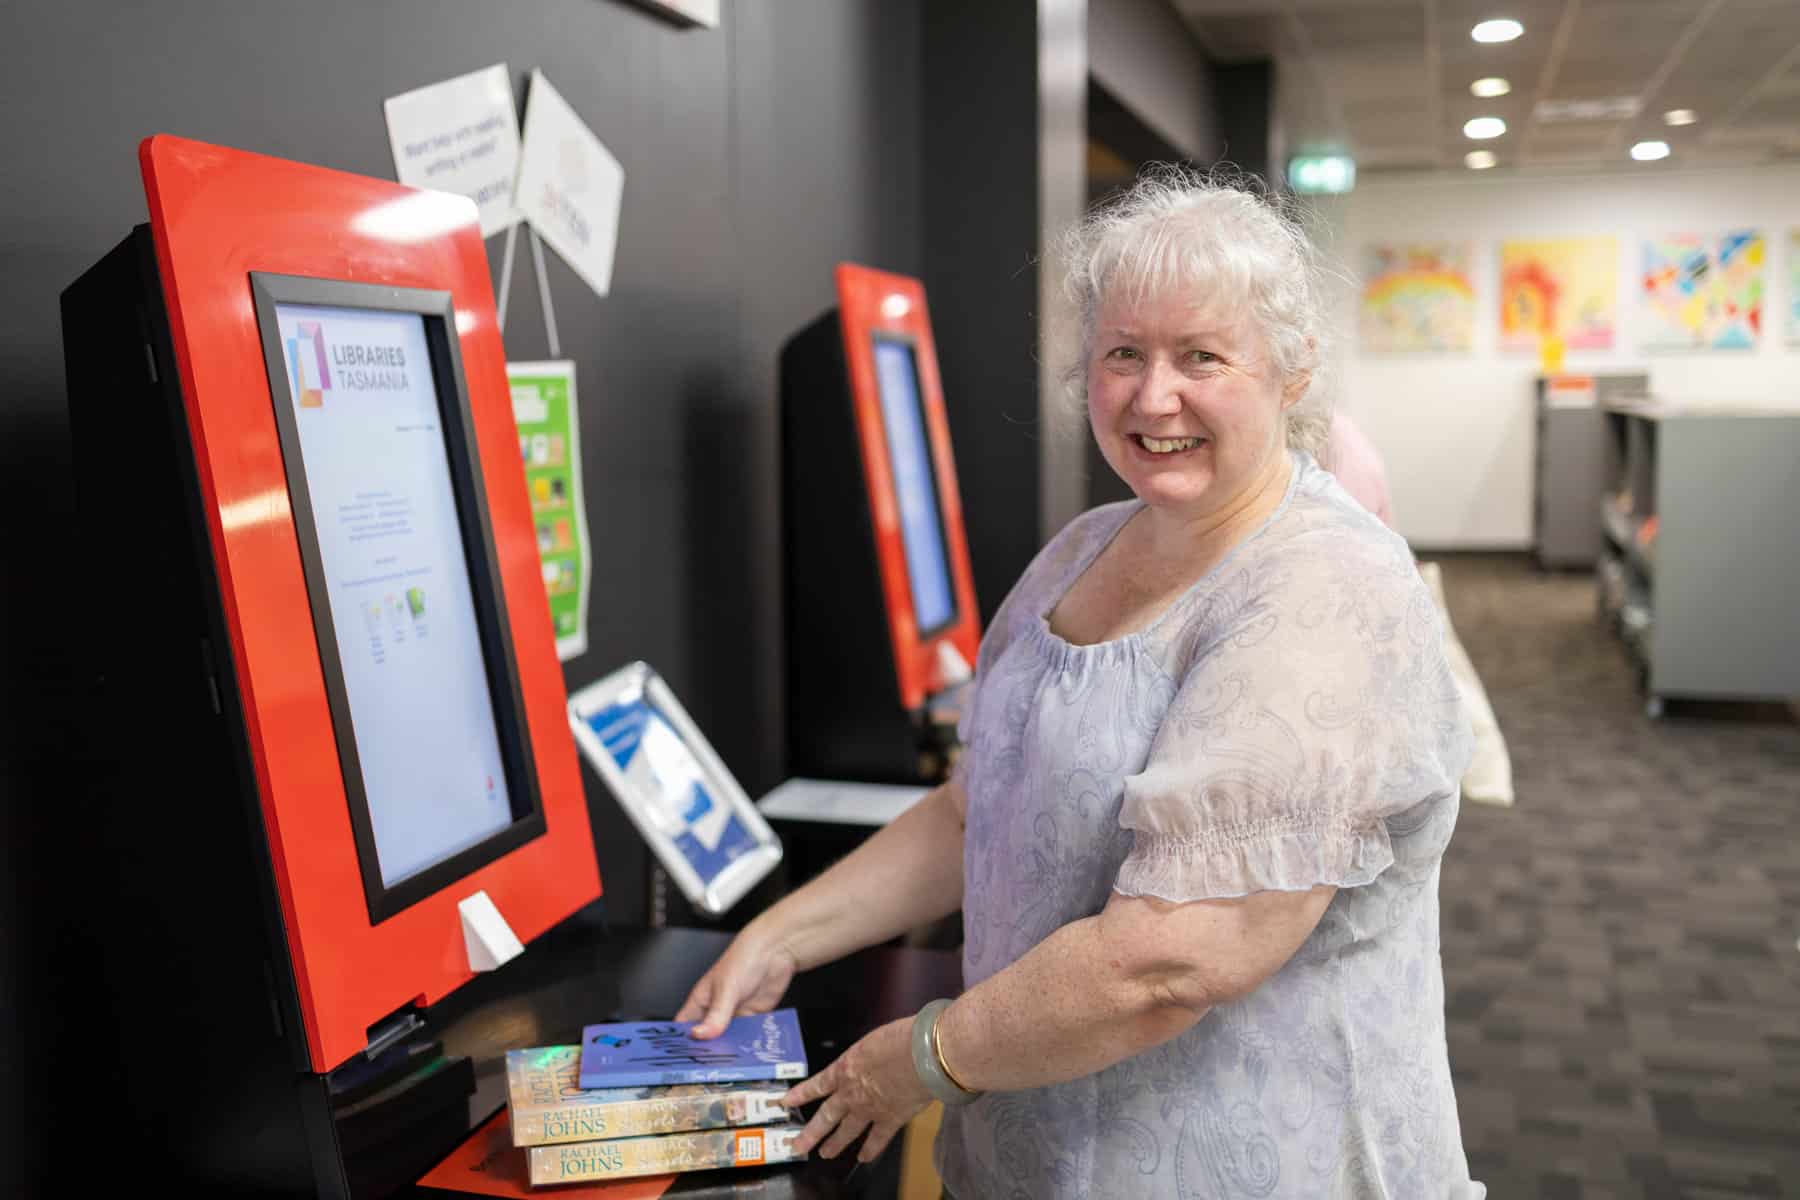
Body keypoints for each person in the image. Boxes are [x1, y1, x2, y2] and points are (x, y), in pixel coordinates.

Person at [678, 169, 1481, 1198]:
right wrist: (779, 935)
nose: (1155, 398)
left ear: (1292, 371)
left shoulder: (1328, 590)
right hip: (1039, 1155)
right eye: (1122, 355)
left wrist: (916, 1059)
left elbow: (1170, 962)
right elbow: (979, 810)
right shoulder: (1082, 550)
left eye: (1201, 356)